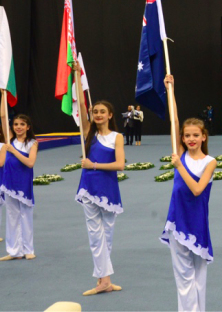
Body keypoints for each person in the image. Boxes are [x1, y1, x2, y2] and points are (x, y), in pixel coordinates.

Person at [160, 75, 217, 312]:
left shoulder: (210, 162)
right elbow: (174, 120)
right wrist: (170, 89)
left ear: (203, 137)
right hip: (177, 220)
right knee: (183, 278)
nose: (191, 139)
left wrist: (179, 166)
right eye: (187, 136)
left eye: (196, 135)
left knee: (198, 279)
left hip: (197, 224)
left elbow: (196, 189)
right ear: (182, 138)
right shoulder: (180, 153)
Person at [74, 69, 125, 295]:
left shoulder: (117, 137)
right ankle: (104, 280)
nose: (98, 115)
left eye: (103, 112)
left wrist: (92, 165)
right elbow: (82, 106)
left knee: (108, 234)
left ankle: (104, 279)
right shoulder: (88, 132)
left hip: (108, 189)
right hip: (88, 188)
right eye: (96, 111)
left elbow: (119, 165)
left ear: (110, 115)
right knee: (95, 235)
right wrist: (76, 75)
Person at [0, 114, 38, 261]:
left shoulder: (32, 143)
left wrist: (14, 151)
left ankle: (28, 249)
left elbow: (30, 163)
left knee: (26, 215)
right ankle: (14, 250)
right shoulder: (10, 139)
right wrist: (3, 94)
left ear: (28, 127)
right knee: (11, 216)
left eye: (22, 124)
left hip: (23, 183)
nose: (18, 127)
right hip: (9, 183)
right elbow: (3, 116)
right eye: (16, 124)